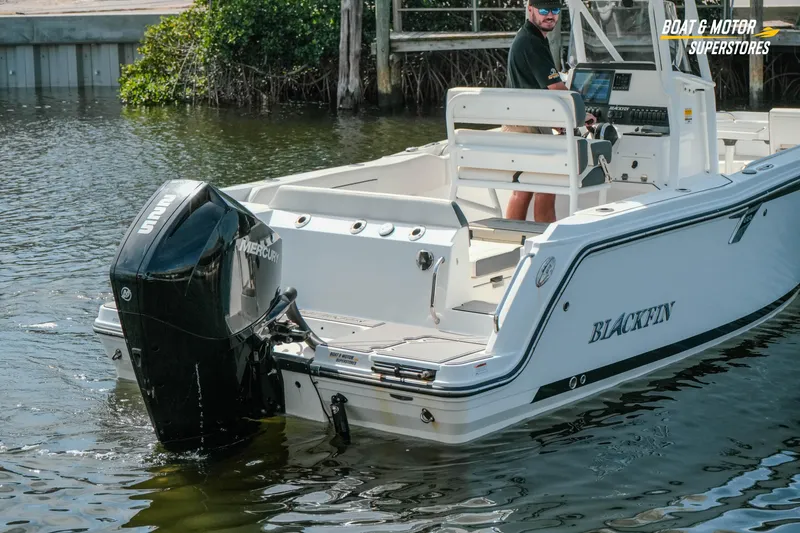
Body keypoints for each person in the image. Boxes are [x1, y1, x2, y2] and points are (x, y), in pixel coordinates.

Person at [504, 0, 593, 222]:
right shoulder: (532, 42)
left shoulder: (527, 38)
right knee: (547, 184)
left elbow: (536, 90)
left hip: (519, 124)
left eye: (555, 10)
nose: (550, 15)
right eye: (544, 10)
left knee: (523, 189)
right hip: (528, 128)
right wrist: (584, 116)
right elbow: (558, 91)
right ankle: (547, 243)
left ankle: (516, 241)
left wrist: (559, 123)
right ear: (530, 9)